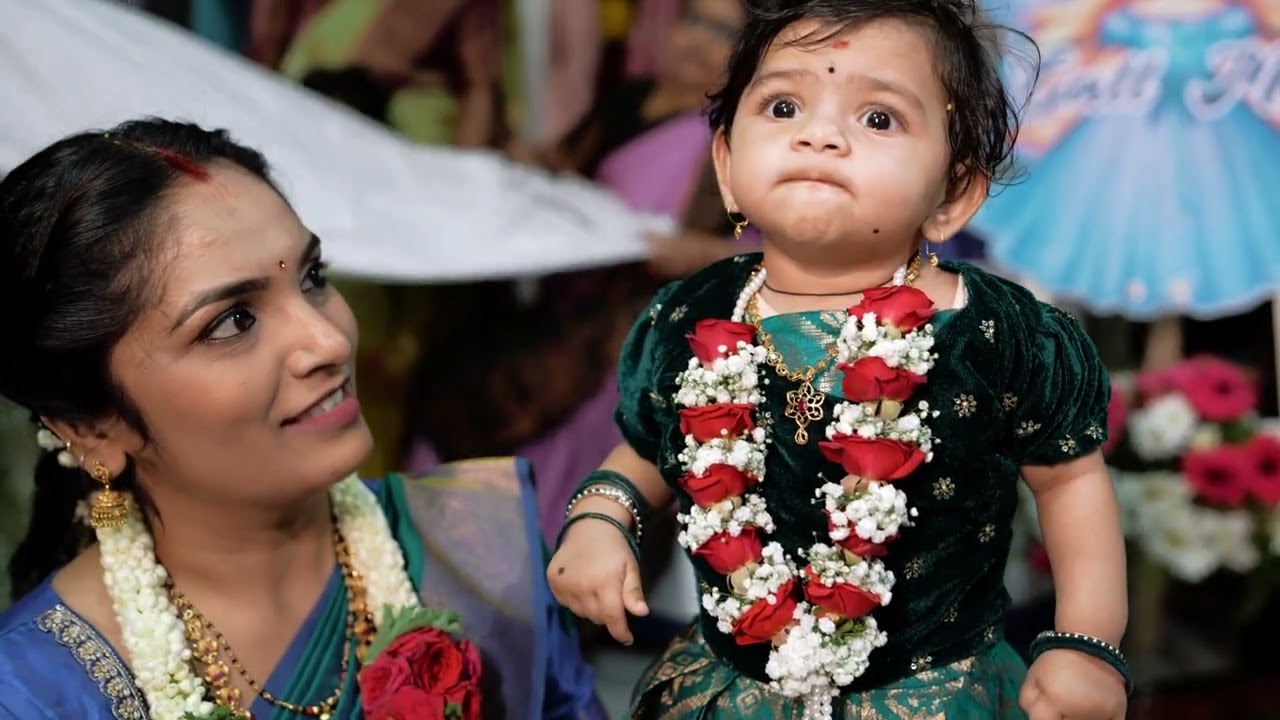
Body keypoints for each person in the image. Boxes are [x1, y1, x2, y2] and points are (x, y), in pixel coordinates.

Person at [548, 1, 1132, 719]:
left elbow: (1071, 483)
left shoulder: (993, 333)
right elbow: (647, 449)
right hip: (730, 690)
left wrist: (1084, 642)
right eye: (785, 105)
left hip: (933, 692)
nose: (820, 135)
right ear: (727, 166)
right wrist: (602, 518)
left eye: (878, 118)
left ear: (953, 194)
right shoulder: (695, 314)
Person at [0, 119, 605, 720]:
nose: (328, 341)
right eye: (234, 321)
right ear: (94, 429)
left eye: (313, 277)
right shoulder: (35, 693)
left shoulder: (479, 553)